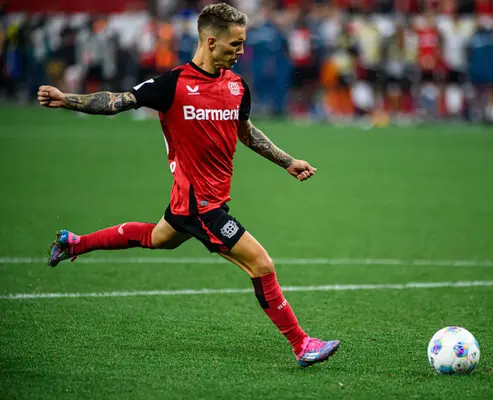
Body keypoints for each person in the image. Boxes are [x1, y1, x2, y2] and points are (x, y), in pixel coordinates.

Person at [37, 3, 340, 368]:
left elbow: (245, 132)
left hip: (195, 202)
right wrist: (66, 99)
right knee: (262, 265)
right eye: (235, 44)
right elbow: (116, 102)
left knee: (156, 238)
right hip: (201, 206)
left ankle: (74, 243)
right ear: (211, 41)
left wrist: (287, 161)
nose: (241, 51)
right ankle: (301, 344)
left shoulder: (237, 86)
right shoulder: (172, 85)